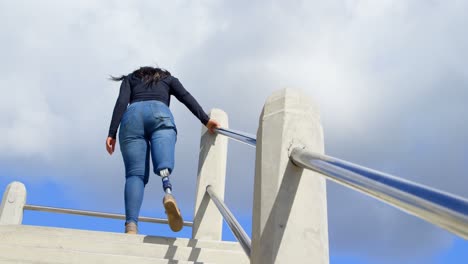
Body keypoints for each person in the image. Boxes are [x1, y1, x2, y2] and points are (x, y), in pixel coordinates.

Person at [106, 66, 220, 234]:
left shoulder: (129, 79)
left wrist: (111, 133)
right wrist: (206, 120)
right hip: (160, 114)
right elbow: (185, 97)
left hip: (132, 118)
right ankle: (168, 192)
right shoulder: (169, 79)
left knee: (135, 174)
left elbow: (121, 102)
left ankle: (131, 225)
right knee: (163, 165)